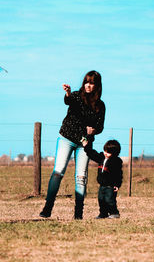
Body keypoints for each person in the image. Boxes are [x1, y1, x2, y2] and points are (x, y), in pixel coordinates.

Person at [40, 70, 105, 219]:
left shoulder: (100, 105)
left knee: (81, 177)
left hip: (85, 144)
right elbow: (68, 101)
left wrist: (94, 130)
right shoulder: (76, 96)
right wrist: (68, 93)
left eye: (92, 83)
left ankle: (78, 214)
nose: (88, 85)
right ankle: (47, 208)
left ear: (97, 85)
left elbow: (100, 126)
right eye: (86, 82)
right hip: (67, 138)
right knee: (58, 172)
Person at [82, 139, 123, 219]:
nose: (105, 153)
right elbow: (92, 154)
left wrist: (117, 185)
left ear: (114, 153)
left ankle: (114, 213)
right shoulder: (101, 157)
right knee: (101, 199)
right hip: (102, 185)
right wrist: (86, 146)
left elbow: (119, 175)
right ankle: (103, 214)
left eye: (108, 152)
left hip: (110, 186)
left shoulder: (116, 162)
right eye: (105, 151)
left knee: (109, 200)